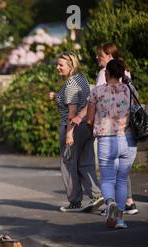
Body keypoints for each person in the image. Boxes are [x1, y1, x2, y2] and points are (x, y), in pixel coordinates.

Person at [86, 59, 138, 229]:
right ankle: (121, 220)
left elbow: (89, 119)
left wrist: (91, 131)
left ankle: (110, 203)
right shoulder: (130, 90)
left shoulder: (97, 92)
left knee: (108, 179)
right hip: (128, 139)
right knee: (122, 180)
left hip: (106, 139)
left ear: (106, 73)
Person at [49, 52, 103, 213]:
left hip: (73, 127)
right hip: (87, 126)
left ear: (71, 66)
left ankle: (74, 202)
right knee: (86, 162)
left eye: (61, 65)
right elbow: (80, 101)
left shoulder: (71, 83)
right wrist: (57, 96)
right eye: (57, 64)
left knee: (68, 164)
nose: (57, 68)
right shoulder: (82, 78)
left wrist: (68, 134)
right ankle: (96, 195)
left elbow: (72, 113)